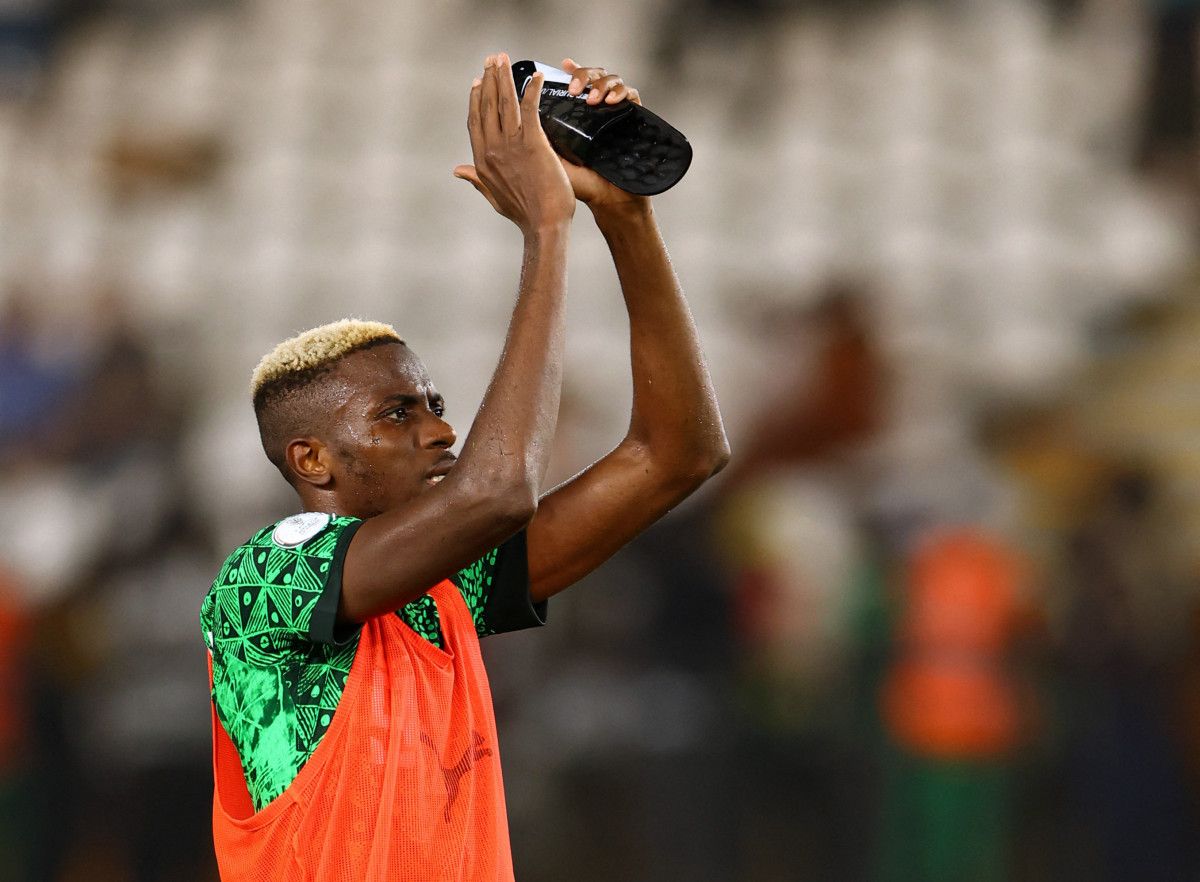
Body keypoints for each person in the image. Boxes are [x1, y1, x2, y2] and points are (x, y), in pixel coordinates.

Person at [199, 52, 729, 881]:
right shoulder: (263, 581)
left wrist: (625, 217)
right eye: (397, 414)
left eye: (434, 403)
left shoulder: (444, 591)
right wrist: (546, 230)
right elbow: (497, 491)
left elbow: (678, 455)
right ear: (312, 459)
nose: (441, 430)